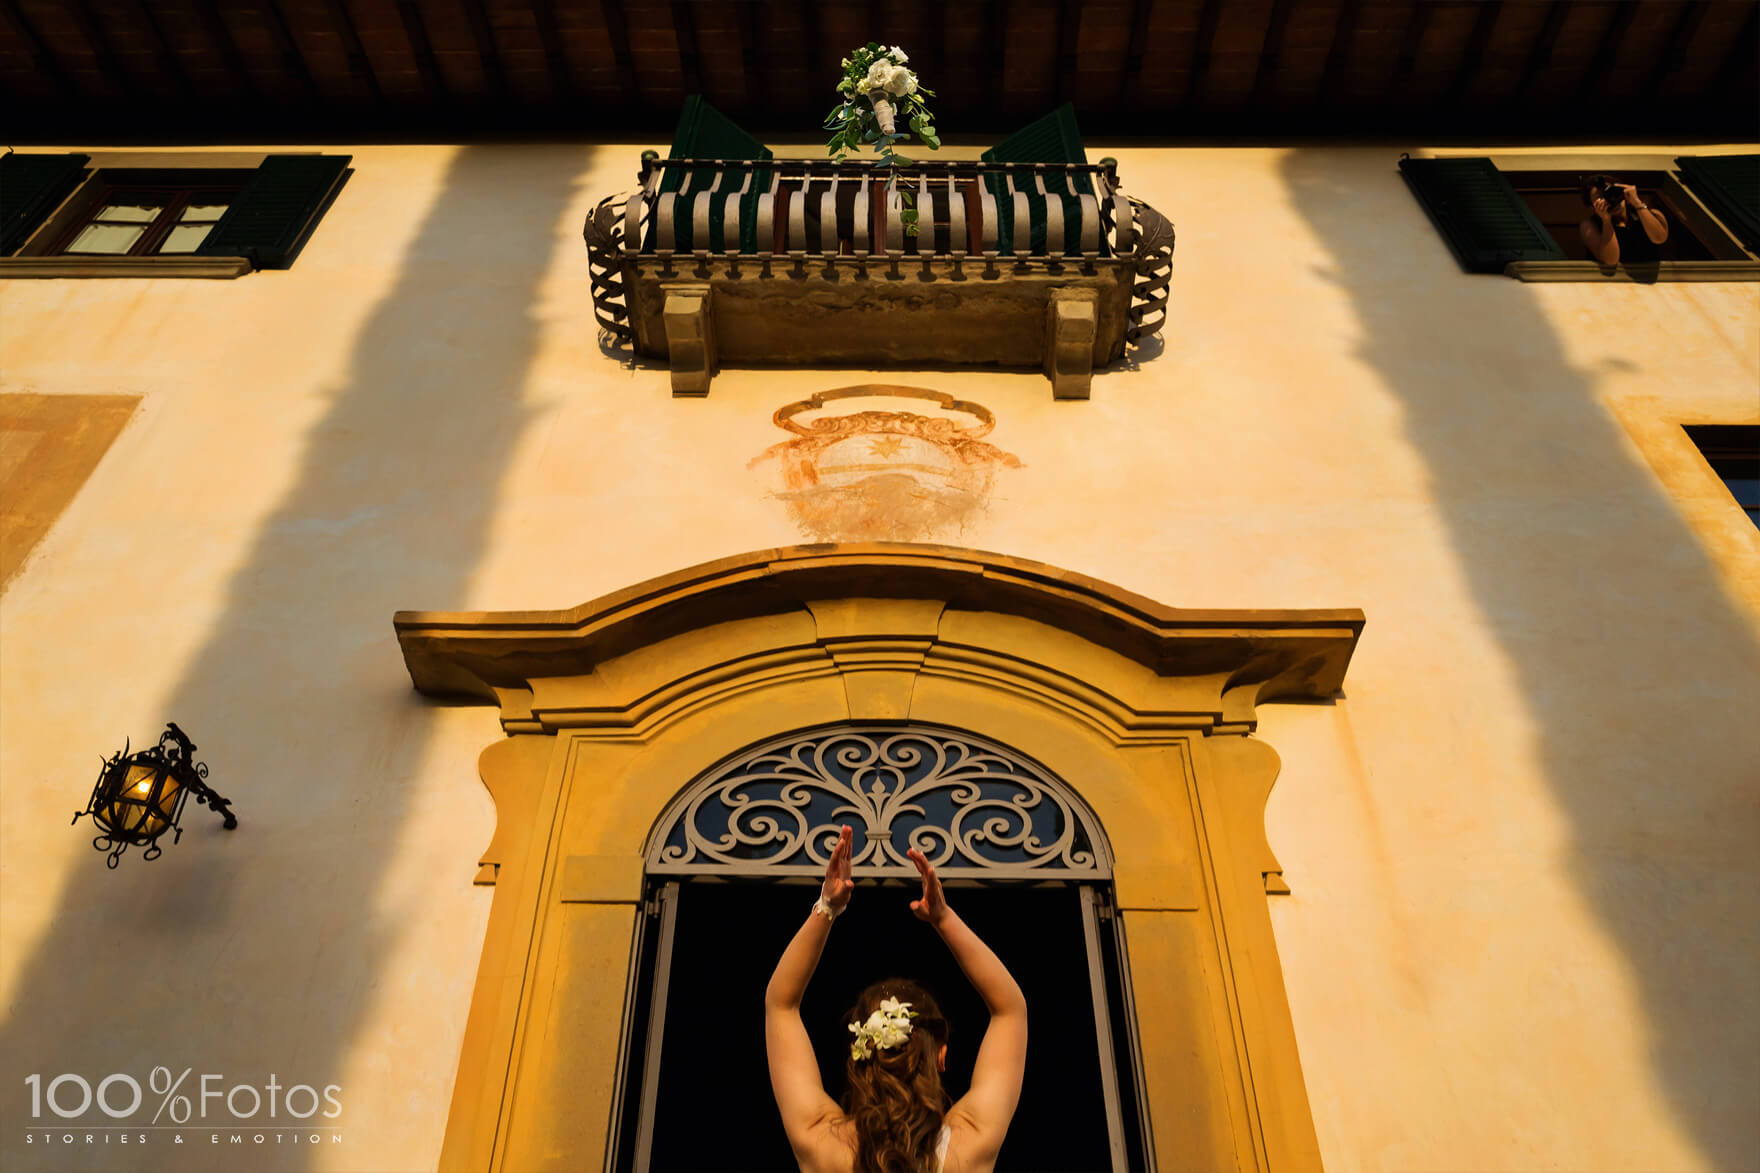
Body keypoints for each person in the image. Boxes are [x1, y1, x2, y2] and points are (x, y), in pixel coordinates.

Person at [765, 825, 1027, 1173]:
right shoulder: (970, 1143)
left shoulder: (821, 1142)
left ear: (860, 1053)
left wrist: (827, 906)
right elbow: (1010, 1010)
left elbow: (780, 1004)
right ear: (941, 1056)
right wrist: (943, 918)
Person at [1579, 173, 1668, 266]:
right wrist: (1606, 220)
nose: (1609, 200)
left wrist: (1637, 202)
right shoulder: (1590, 226)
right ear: (1592, 207)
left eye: (1610, 193)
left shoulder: (1650, 213)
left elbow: (1659, 238)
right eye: (1601, 198)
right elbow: (1611, 261)